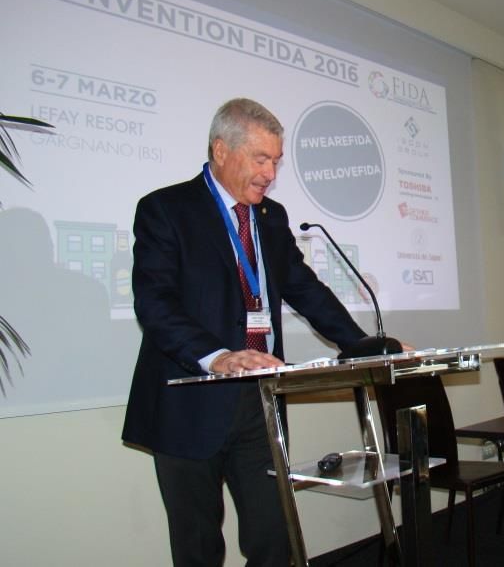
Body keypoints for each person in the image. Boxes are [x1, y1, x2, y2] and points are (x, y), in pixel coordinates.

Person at [122, 98, 369, 566]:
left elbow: (305, 289)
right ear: (221, 150)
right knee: (198, 549)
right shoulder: (166, 209)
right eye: (260, 159)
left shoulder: (271, 218)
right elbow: (154, 302)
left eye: (275, 161)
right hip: (189, 403)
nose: (270, 173)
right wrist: (216, 355)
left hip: (260, 403)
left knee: (275, 537)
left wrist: (362, 344)